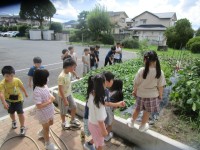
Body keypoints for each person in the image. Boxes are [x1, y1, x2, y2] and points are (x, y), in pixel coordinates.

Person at [127, 51, 166, 132]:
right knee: (147, 111)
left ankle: (131, 122)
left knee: (137, 109)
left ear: (145, 60)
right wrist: (160, 95)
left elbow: (136, 83)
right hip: (152, 96)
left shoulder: (142, 70)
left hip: (141, 95)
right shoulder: (160, 72)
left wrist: (134, 91)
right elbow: (161, 86)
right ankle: (142, 126)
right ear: (156, 60)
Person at [33, 69, 58, 150]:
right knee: (47, 129)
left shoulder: (44, 85)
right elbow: (39, 106)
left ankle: (42, 132)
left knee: (51, 123)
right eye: (47, 77)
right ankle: (48, 144)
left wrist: (51, 96)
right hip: (43, 113)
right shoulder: (36, 91)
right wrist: (50, 101)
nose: (48, 79)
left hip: (49, 110)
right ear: (41, 79)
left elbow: (47, 92)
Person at [0, 66, 28, 135]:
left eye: (11, 75)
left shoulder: (17, 80)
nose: (9, 78)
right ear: (3, 75)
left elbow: (22, 87)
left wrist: (25, 93)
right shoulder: (2, 84)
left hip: (18, 100)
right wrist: (4, 103)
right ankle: (13, 121)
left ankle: (22, 127)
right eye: (7, 76)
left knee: (20, 114)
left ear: (14, 74)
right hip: (9, 101)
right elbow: (1, 94)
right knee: (11, 113)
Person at [58, 58, 80, 130]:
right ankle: (63, 123)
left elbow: (73, 72)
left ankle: (72, 120)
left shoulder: (69, 72)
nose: (74, 68)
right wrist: (64, 100)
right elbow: (60, 89)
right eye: (73, 67)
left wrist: (76, 75)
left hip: (69, 94)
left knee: (74, 106)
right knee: (63, 111)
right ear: (68, 67)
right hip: (63, 96)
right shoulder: (61, 76)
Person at [103, 72, 125, 141]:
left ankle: (102, 133)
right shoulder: (119, 93)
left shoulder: (108, 90)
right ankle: (106, 136)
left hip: (103, 109)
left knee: (104, 121)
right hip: (109, 109)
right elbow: (117, 105)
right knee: (110, 123)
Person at [87, 74, 108, 150]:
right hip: (97, 126)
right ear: (102, 84)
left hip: (91, 123)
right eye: (105, 81)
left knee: (97, 141)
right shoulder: (99, 102)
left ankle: (90, 144)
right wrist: (104, 131)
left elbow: (89, 106)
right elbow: (100, 120)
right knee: (100, 145)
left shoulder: (91, 93)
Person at [83, 76, 95, 150]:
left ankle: (83, 132)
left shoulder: (91, 90)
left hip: (90, 116)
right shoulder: (93, 92)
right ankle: (88, 143)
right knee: (88, 130)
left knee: (89, 129)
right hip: (89, 116)